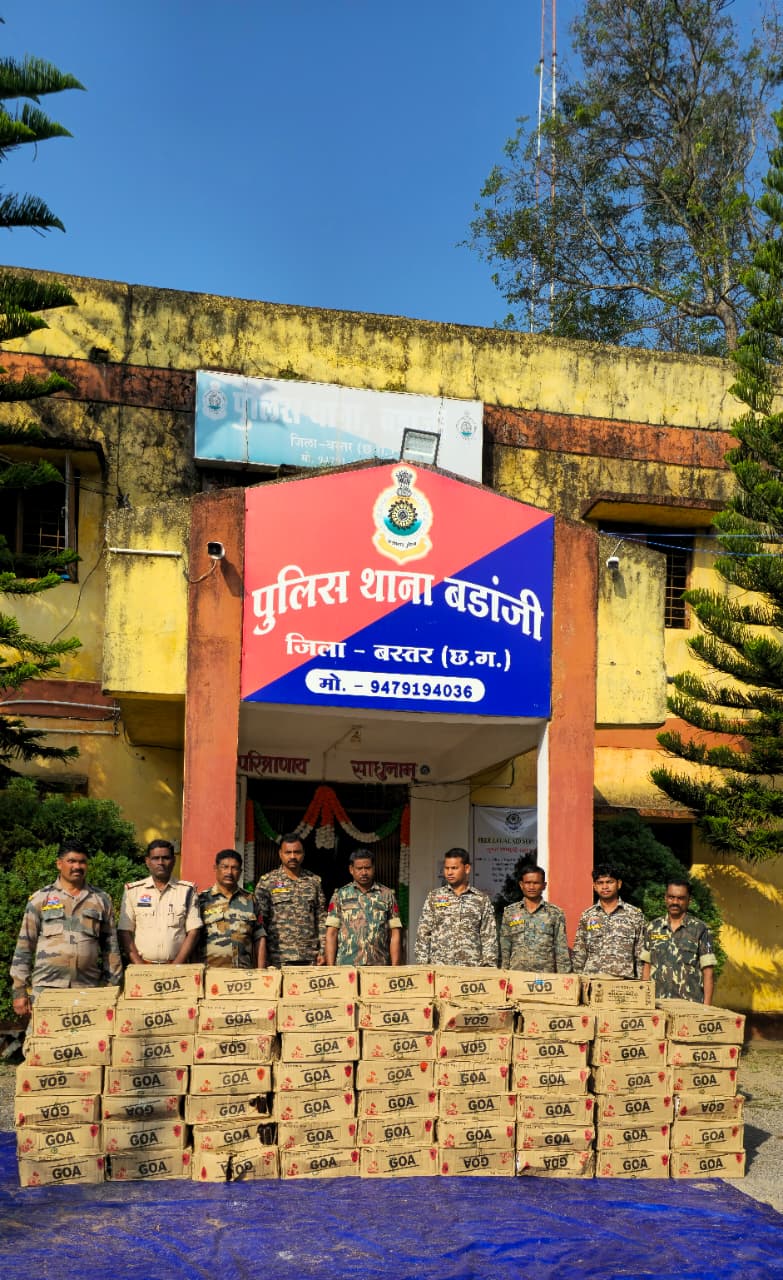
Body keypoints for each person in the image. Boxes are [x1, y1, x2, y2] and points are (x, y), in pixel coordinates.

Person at [10, 841, 123, 1017]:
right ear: (59, 864)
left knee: (89, 1035)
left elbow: (111, 949)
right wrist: (19, 991)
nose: (77, 866)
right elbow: (24, 946)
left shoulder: (101, 900)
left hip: (88, 989)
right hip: (47, 989)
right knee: (44, 1035)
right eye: (71, 861)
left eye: (82, 862)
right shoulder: (41, 899)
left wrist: (112, 989)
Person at [118, 838, 202, 965]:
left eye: (166, 858)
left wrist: (176, 965)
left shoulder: (187, 891)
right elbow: (125, 931)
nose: (161, 862)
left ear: (173, 860)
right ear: (147, 861)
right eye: (155, 858)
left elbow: (194, 931)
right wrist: (139, 965)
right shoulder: (133, 891)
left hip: (177, 966)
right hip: (143, 966)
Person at [414, 848, 498, 967]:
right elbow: (423, 933)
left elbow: (489, 937)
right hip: (440, 968)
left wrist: (489, 967)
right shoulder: (434, 897)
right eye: (446, 868)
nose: (449, 873)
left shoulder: (481, 899)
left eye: (454, 868)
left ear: (467, 868)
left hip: (471, 969)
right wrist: (422, 965)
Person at [254, 833, 326, 967]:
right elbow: (260, 922)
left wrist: (323, 951)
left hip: (310, 957)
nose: (292, 856)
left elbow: (321, 919)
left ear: (303, 854)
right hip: (278, 958)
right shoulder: (267, 882)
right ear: (280, 854)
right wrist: (263, 956)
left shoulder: (314, 882)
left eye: (297, 852)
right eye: (288, 852)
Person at [641, 879, 717, 1004]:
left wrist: (707, 1008)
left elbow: (708, 972)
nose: (675, 902)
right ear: (665, 898)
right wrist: (645, 1001)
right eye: (671, 897)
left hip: (690, 1004)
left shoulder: (700, 929)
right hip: (657, 1003)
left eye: (681, 898)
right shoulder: (652, 927)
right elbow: (647, 967)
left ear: (689, 900)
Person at [324, 849, 403, 966]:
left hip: (379, 965)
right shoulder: (340, 895)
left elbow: (395, 933)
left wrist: (395, 967)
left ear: (374, 868)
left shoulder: (387, 895)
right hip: (347, 966)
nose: (364, 872)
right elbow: (331, 934)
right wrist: (330, 968)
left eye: (368, 868)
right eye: (359, 868)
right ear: (351, 869)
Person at [572, 863, 645, 979]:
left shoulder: (635, 915)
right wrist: (578, 980)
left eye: (609, 882)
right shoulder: (587, 916)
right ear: (594, 886)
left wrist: (641, 983)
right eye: (600, 883)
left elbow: (641, 954)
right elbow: (579, 953)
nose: (605, 887)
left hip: (624, 983)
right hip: (592, 981)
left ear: (619, 884)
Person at [198, 849, 267, 969]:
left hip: (243, 973)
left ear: (240, 872)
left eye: (234, 868)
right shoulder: (202, 900)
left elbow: (259, 937)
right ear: (215, 868)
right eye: (224, 867)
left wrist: (261, 971)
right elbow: (193, 938)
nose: (229, 872)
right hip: (211, 973)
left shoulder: (250, 900)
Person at [499, 862, 572, 972]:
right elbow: (505, 946)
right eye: (528, 883)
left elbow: (561, 948)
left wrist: (564, 976)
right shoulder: (510, 912)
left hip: (546, 976)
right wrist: (504, 972)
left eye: (536, 883)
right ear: (521, 885)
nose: (531, 887)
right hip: (517, 974)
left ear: (544, 885)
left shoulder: (555, 913)